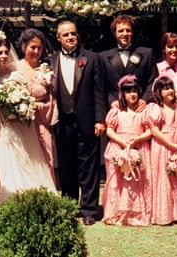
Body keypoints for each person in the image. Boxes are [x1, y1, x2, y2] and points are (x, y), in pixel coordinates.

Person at [49, 20, 107, 225]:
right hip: (62, 122)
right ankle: (70, 206)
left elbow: (100, 91)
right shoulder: (51, 60)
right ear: (58, 38)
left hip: (87, 120)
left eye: (73, 33)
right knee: (66, 167)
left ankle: (89, 210)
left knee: (89, 167)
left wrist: (101, 119)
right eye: (65, 35)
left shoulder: (92, 58)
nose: (70, 37)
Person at [0, 35, 56, 203]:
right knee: (4, 164)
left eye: (5, 52)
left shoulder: (17, 75)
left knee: (26, 161)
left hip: (20, 125)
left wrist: (19, 108)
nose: (3, 56)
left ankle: (31, 200)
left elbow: (27, 98)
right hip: (0, 127)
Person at [101, 74, 151, 226]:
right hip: (118, 148)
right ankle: (116, 212)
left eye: (135, 91)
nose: (132, 94)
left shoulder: (143, 112)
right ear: (122, 94)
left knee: (135, 182)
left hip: (137, 147)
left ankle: (134, 213)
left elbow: (149, 131)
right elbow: (109, 131)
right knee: (117, 181)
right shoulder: (116, 111)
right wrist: (123, 143)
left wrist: (136, 140)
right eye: (128, 92)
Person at [144, 76, 177, 225]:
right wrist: (171, 145)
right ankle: (164, 213)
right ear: (158, 91)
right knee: (164, 177)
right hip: (163, 145)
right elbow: (154, 131)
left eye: (171, 87)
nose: (169, 90)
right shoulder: (156, 108)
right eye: (165, 88)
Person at [15, 28, 58, 181]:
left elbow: (51, 99)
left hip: (41, 123)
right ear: (24, 47)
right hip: (22, 124)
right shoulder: (15, 68)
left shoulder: (45, 69)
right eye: (32, 47)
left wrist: (42, 106)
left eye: (39, 48)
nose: (36, 51)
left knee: (46, 160)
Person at [99, 14, 157, 110]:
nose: (125, 34)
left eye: (128, 30)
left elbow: (153, 80)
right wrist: (111, 101)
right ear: (115, 33)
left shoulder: (147, 54)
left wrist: (145, 99)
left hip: (141, 108)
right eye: (121, 31)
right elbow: (101, 86)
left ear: (132, 32)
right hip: (116, 109)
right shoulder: (103, 57)